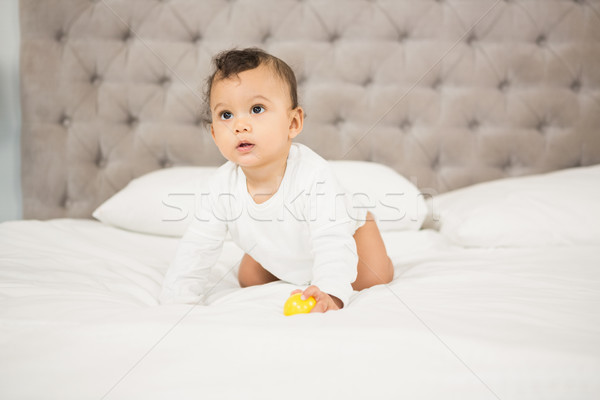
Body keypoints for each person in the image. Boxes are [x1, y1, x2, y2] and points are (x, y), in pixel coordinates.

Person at [159, 48, 393, 312]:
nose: (240, 125)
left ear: (293, 123)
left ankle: (363, 226)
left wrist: (330, 292)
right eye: (226, 115)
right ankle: (285, 260)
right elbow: (197, 247)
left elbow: (332, 240)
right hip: (284, 247)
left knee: (373, 278)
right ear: (214, 134)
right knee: (249, 278)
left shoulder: (313, 175)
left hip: (346, 234)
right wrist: (177, 300)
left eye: (256, 109)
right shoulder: (220, 186)